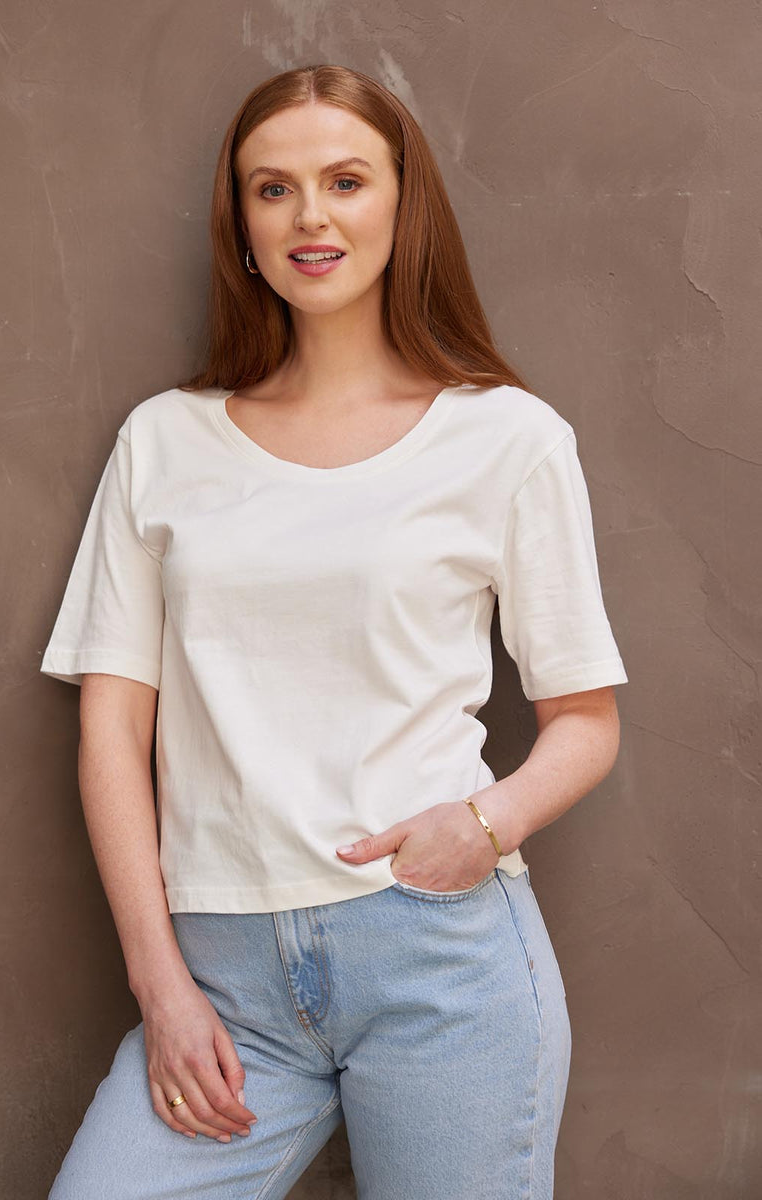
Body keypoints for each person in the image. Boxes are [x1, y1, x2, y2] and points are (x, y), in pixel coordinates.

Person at [39, 63, 628, 1200]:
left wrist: (482, 820)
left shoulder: (509, 439)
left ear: (402, 211)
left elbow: (586, 723)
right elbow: (112, 730)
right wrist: (160, 986)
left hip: (441, 965)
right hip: (225, 981)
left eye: (347, 181)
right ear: (243, 227)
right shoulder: (165, 442)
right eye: (275, 189)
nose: (311, 215)